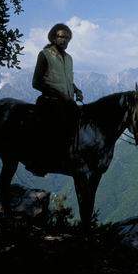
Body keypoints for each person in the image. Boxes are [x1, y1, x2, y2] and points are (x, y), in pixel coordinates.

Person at [29, 23, 83, 174]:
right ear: (53, 37)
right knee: (52, 129)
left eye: (67, 38)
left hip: (67, 101)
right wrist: (59, 95)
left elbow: (66, 80)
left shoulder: (69, 58)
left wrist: (76, 90)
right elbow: (36, 83)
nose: (64, 40)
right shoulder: (45, 55)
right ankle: (39, 163)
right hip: (50, 101)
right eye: (60, 36)